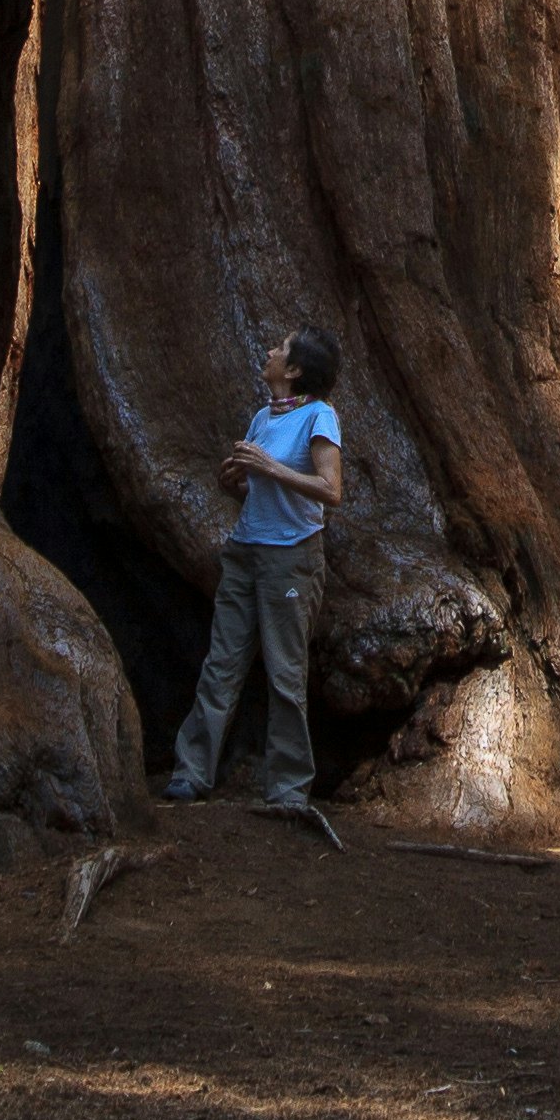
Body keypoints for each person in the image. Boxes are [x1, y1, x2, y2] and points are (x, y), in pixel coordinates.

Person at [164, 329, 346, 807]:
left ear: (294, 371)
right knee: (220, 664)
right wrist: (236, 484)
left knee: (286, 672)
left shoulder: (319, 416)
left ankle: (287, 788)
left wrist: (268, 467)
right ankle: (192, 772)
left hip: (291, 557)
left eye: (280, 349)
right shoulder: (264, 417)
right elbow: (259, 487)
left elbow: (331, 490)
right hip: (244, 552)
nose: (269, 351)